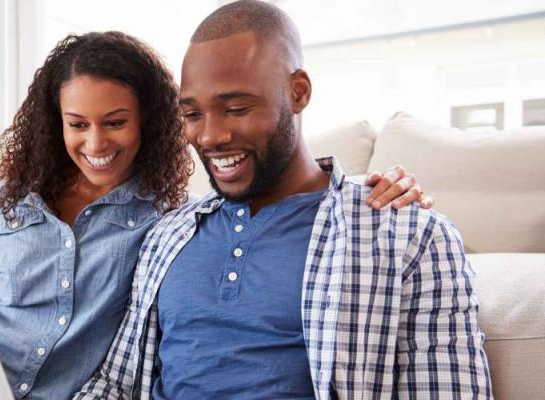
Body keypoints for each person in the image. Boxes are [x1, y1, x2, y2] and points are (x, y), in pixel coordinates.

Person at [0, 31, 427, 399]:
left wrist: (363, 190)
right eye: (77, 124)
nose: (95, 143)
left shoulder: (164, 220)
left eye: (115, 123)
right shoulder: (8, 199)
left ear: (148, 123)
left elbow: (277, 187)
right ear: (56, 125)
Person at [75, 2, 491, 399]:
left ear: (298, 92)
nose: (209, 137)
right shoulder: (168, 233)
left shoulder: (406, 234)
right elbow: (116, 382)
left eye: (235, 108)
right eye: (193, 114)